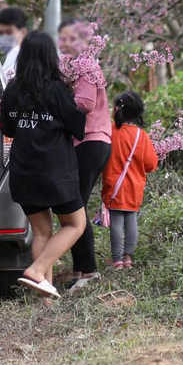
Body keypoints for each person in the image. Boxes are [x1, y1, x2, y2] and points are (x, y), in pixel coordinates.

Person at [0, 31, 87, 299]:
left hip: (24, 170)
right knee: (75, 224)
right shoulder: (57, 89)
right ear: (51, 57)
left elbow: (8, 128)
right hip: (55, 172)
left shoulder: (12, 90)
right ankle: (37, 270)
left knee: (41, 232)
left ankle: (46, 300)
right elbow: (78, 128)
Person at [58, 17, 112, 292]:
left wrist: (56, 101)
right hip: (84, 142)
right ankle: (80, 268)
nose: (66, 43)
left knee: (74, 205)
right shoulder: (70, 67)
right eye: (62, 38)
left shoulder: (86, 65)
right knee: (72, 204)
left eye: (72, 39)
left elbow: (86, 103)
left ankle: (89, 272)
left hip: (92, 140)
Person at [101, 91, 158, 269]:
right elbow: (151, 164)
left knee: (116, 222)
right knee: (131, 219)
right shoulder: (142, 136)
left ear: (117, 110)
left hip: (114, 185)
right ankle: (128, 258)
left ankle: (117, 260)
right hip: (134, 187)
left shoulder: (110, 131)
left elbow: (101, 157)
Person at [0, 6, 28, 81]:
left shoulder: (29, 57)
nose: (4, 37)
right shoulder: (10, 55)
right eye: (0, 33)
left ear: (23, 32)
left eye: (9, 32)